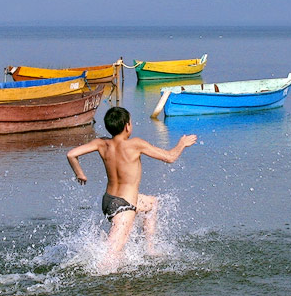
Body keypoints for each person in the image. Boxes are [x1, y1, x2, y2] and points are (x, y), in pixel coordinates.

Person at [66, 106, 196, 265]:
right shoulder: (135, 144)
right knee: (109, 258)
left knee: (152, 203)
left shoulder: (101, 143)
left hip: (109, 202)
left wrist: (80, 173)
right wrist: (182, 143)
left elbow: (71, 154)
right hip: (124, 207)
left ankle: (149, 249)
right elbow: (169, 157)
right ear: (127, 126)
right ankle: (97, 281)